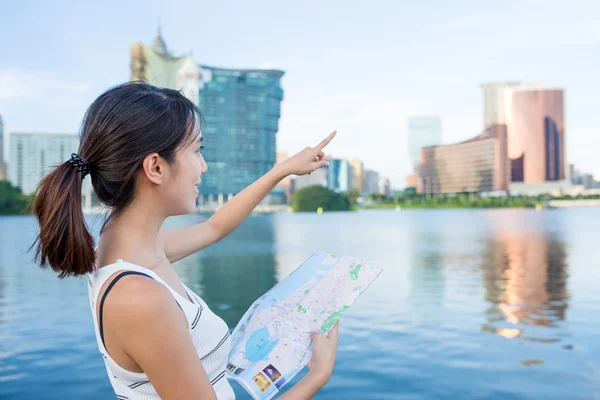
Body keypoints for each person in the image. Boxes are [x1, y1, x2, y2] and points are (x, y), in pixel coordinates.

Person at [31, 82, 339, 399]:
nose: (202, 167)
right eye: (196, 151)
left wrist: (282, 170)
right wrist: (316, 376)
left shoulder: (128, 244)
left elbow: (215, 227)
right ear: (156, 167)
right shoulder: (139, 297)